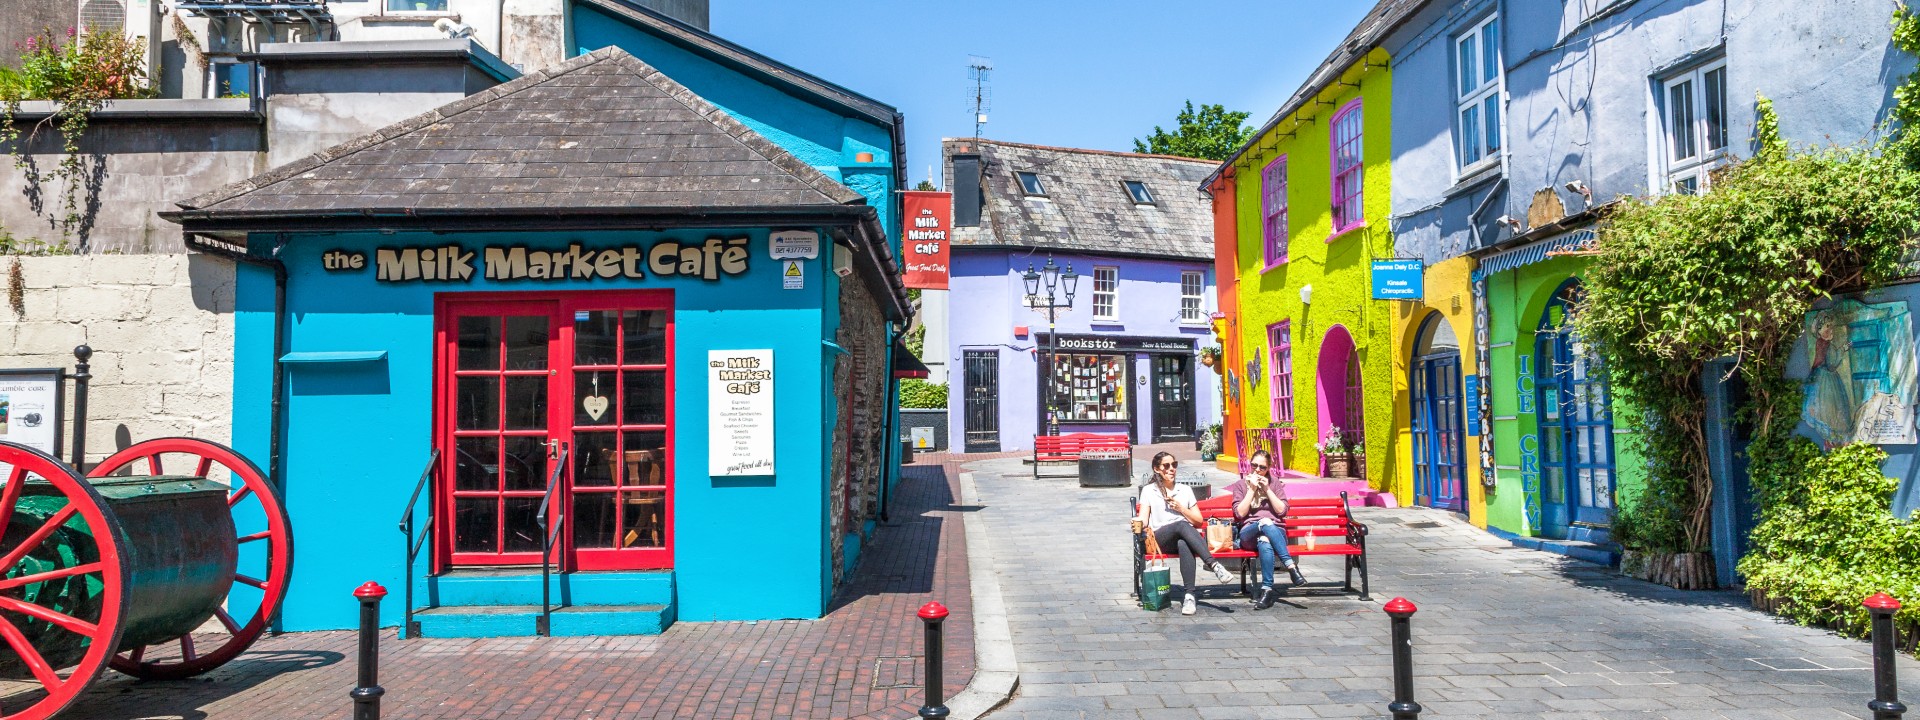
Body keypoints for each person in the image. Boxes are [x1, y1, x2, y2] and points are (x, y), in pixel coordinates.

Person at [1134, 451, 1236, 615]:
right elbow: (1144, 519)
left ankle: (1189, 596)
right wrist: (1138, 522)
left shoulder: (1185, 490)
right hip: (1160, 540)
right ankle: (1214, 565)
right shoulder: (1149, 490)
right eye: (1166, 466)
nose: (1171, 469)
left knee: (1184, 543)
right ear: (1157, 469)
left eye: (1174, 465)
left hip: (1183, 537)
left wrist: (1181, 508)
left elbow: (1198, 521)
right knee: (1181, 525)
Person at [1228, 449, 1306, 610]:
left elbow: (1282, 511)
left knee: (1265, 540)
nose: (1257, 470)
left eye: (1262, 467)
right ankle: (1291, 566)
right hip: (1249, 533)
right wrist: (1251, 490)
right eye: (1254, 465)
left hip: (1275, 532)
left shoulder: (1274, 483)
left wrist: (1267, 490)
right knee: (1264, 521)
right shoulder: (1241, 485)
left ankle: (1267, 591)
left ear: (1268, 468)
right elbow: (1239, 513)